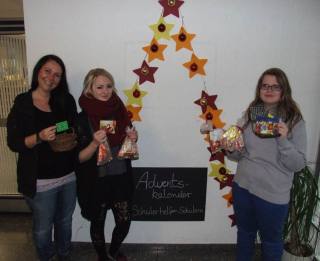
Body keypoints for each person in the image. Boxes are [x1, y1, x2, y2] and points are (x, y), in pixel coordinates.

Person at [227, 68, 307, 261]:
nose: (269, 90)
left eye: (275, 86)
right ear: (259, 88)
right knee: (245, 234)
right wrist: (230, 147)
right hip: (243, 187)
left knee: (271, 242)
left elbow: (298, 164)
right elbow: (240, 155)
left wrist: (283, 139)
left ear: (283, 90)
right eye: (265, 85)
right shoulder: (252, 112)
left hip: (272, 194)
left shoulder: (294, 119)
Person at [6, 54, 78, 261]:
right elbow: (14, 143)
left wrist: (56, 129)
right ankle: (47, 257)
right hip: (39, 181)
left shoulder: (64, 100)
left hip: (68, 176)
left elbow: (71, 124)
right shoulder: (23, 103)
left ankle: (64, 255)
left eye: (57, 75)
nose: (51, 77)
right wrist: (40, 136)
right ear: (38, 71)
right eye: (48, 71)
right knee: (43, 228)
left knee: (65, 221)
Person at [76, 68, 137, 261]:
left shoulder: (121, 112)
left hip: (120, 177)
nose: (105, 90)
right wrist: (94, 142)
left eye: (109, 86)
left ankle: (113, 251)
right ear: (89, 90)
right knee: (98, 222)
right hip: (96, 181)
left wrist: (133, 137)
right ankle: (102, 256)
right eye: (99, 87)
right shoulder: (79, 119)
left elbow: (128, 137)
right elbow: (78, 158)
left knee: (125, 220)